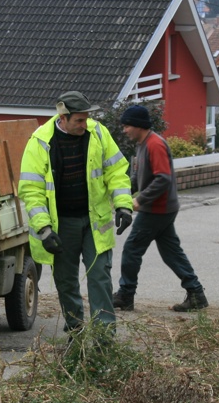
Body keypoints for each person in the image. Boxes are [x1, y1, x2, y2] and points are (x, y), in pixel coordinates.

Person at [18, 90, 134, 335]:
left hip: (95, 222)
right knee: (66, 281)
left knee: (99, 277)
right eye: (79, 120)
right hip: (61, 225)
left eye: (86, 119)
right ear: (63, 118)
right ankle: (76, 333)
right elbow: (31, 190)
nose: (84, 124)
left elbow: (116, 171)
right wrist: (44, 229)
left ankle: (104, 338)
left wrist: (124, 205)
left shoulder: (98, 133)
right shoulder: (40, 142)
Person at [112, 105, 208, 312]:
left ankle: (126, 295)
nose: (124, 130)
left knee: (131, 250)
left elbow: (163, 178)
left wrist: (140, 200)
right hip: (162, 208)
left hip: (157, 209)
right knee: (171, 252)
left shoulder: (155, 144)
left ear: (138, 125)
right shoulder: (142, 144)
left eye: (127, 126)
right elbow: (137, 177)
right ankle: (196, 293)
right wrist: (122, 193)